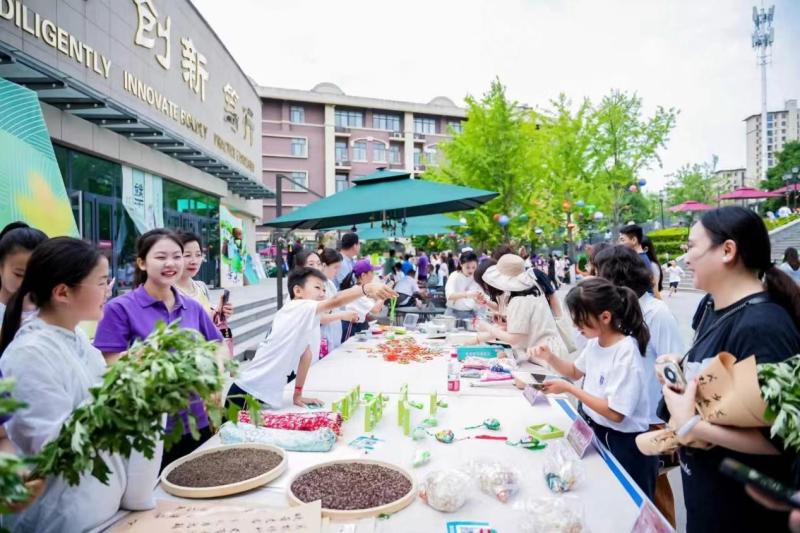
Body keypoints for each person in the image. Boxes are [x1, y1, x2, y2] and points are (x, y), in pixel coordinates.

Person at [0, 237, 159, 532]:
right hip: (61, 516)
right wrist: (122, 392)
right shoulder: (29, 354)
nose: (108, 290)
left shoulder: (80, 341)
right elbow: (54, 445)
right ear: (63, 292)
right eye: (100, 282)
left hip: (99, 509)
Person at [660, 206, 800, 533]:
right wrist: (680, 372)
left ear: (727, 250)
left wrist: (691, 424)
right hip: (707, 499)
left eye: (692, 246)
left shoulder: (763, 327)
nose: (686, 257)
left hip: (745, 515)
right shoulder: (711, 306)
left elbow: (782, 441)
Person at [93, 229, 222, 470]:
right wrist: (141, 360)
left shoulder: (192, 307)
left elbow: (215, 345)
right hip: (150, 428)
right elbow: (111, 366)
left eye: (177, 256)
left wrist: (214, 382)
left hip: (197, 420)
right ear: (142, 263)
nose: (171, 263)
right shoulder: (119, 308)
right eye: (161, 257)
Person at [531, 277, 657, 500]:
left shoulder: (626, 353)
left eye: (580, 320)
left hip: (625, 444)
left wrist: (570, 389)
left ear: (605, 317)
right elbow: (574, 371)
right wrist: (550, 357)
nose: (576, 327)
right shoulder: (595, 343)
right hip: (597, 431)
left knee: (626, 502)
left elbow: (615, 413)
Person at [593, 245, 684, 526]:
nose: (593, 278)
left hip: (650, 421)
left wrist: (674, 423)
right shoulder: (616, 311)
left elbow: (675, 367)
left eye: (598, 272)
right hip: (619, 416)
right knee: (625, 493)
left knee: (653, 497)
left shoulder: (656, 312)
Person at [227, 268, 396, 409]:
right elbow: (335, 300)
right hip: (246, 392)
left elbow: (306, 354)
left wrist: (298, 394)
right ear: (298, 291)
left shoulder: (307, 317)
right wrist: (366, 289)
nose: (322, 293)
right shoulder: (297, 307)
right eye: (317, 288)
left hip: (262, 395)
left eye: (324, 290)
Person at [477, 254, 569, 360]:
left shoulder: (518, 300)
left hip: (545, 355)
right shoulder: (532, 289)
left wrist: (487, 327)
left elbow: (514, 339)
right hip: (549, 351)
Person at [175, 231, 234, 319]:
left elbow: (207, 321)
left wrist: (219, 312)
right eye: (187, 255)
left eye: (198, 255)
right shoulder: (169, 293)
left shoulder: (201, 287)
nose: (194, 261)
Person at [0, 225, 47, 322]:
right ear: (1, 267)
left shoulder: (54, 315)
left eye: (37, 275)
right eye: (19, 274)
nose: (27, 282)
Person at [318, 248, 358, 355]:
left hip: (334, 335)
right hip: (324, 337)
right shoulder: (318, 286)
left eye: (339, 267)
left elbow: (337, 301)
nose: (338, 271)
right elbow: (320, 318)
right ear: (324, 265)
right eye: (335, 267)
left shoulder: (330, 283)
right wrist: (342, 315)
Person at [340, 260, 385, 340]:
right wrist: (384, 294)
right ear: (363, 275)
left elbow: (376, 307)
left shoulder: (363, 289)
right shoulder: (357, 291)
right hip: (351, 327)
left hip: (359, 324)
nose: (373, 276)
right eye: (372, 273)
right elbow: (375, 310)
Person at [619, 224, 659, 296]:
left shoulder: (637, 260)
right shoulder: (640, 257)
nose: (620, 243)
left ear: (634, 240)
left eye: (622, 240)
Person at [444, 250, 483, 320]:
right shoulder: (454, 276)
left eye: (474, 267)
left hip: (471, 314)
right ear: (461, 264)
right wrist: (467, 294)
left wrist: (478, 299)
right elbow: (449, 296)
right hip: (453, 314)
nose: (471, 270)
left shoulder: (477, 278)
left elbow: (479, 297)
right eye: (467, 267)